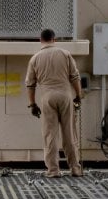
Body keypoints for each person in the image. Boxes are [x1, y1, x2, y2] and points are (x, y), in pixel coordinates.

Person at [25, 28, 83, 178]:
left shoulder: (35, 58)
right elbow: (75, 77)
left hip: (47, 97)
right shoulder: (65, 54)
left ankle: (53, 170)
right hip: (65, 95)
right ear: (54, 39)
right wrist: (78, 95)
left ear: (40, 40)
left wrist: (32, 104)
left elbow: (30, 85)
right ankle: (75, 169)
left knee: (50, 135)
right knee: (69, 133)